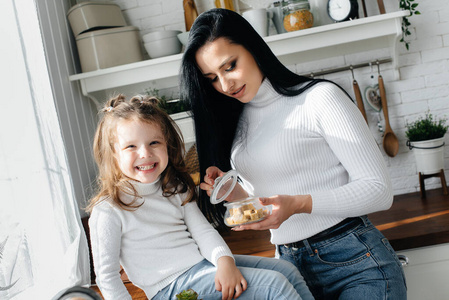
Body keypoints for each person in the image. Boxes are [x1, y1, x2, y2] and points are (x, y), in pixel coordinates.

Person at [179, 8, 407, 300]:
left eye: (230, 66)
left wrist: (297, 204)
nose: (225, 85)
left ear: (253, 48)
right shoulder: (236, 121)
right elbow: (272, 197)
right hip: (289, 264)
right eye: (212, 78)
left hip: (356, 262)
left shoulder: (319, 99)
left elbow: (379, 191)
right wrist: (232, 192)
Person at [85, 94, 314, 300]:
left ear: (168, 144)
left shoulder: (173, 188)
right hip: (171, 289)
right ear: (113, 154)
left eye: (154, 142)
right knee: (274, 287)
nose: (145, 153)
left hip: (201, 266)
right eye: (131, 146)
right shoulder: (108, 209)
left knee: (286, 271)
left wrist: (225, 262)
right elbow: (106, 276)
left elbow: (202, 231)